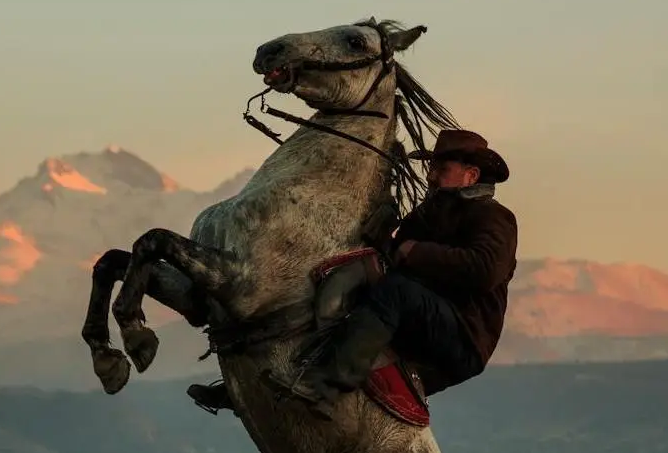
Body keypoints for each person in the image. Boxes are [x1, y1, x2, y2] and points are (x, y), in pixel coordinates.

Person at [188, 129, 517, 419]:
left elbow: (485, 270)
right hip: (427, 315)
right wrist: (381, 235)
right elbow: (396, 254)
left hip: (463, 337)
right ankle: (261, 378)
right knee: (339, 282)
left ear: (471, 176)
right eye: (432, 168)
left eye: (441, 169)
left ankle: (327, 386)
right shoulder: (428, 215)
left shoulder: (494, 217)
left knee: (396, 291)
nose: (431, 176)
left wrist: (414, 252)